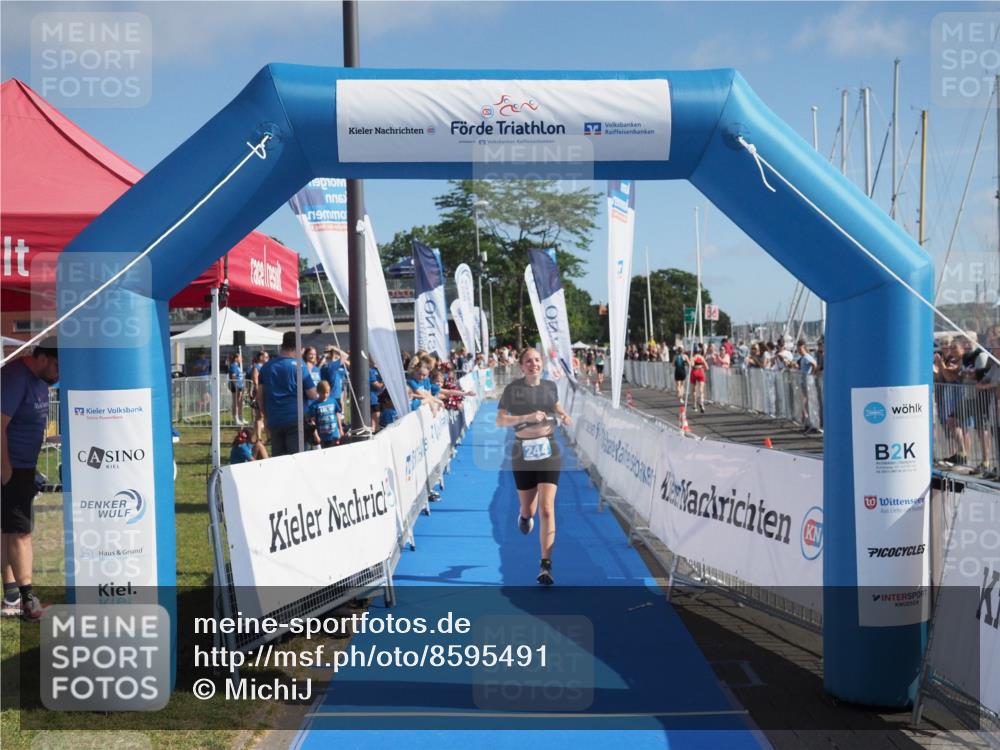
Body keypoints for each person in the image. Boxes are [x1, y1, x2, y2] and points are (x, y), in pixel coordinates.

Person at [495, 348, 572, 586]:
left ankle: (545, 565)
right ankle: (525, 515)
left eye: (537, 360)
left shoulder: (549, 387)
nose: (534, 364)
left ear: (542, 363)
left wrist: (564, 415)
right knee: (529, 509)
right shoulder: (512, 389)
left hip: (548, 450)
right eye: (528, 360)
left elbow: (557, 407)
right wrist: (526, 417)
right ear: (522, 366)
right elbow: (500, 420)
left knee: (547, 509)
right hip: (522, 452)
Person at [1, 338, 59, 621]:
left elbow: (27, 422)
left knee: (8, 531)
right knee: (21, 533)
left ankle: (12, 596)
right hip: (12, 467)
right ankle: (28, 601)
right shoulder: (15, 377)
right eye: (59, 366)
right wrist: (7, 470)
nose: (60, 374)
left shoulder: (39, 381)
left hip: (23, 467)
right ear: (44, 358)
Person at [258, 332, 318, 457]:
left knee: (279, 462)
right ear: (297, 347)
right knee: (298, 460)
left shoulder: (266, 367)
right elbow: (312, 394)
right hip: (296, 421)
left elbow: (260, 397)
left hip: (275, 420)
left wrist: (266, 417)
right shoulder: (299, 366)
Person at [308, 380, 344, 448]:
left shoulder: (333, 401)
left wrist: (340, 429)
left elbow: (337, 415)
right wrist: (316, 436)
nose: (325, 395)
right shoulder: (314, 405)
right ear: (318, 392)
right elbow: (313, 422)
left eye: (327, 393)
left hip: (334, 435)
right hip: (322, 437)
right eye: (323, 393)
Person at [228, 352, 246, 425]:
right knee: (236, 403)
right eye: (240, 357)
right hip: (236, 387)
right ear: (236, 359)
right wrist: (236, 387)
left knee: (240, 402)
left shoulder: (237, 366)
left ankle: (241, 417)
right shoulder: (233, 366)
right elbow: (234, 377)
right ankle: (236, 418)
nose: (241, 359)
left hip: (240, 386)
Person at [690, 345, 708, 412]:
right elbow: (707, 367)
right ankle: (701, 403)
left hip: (694, 372)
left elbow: (691, 365)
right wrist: (702, 368)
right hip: (701, 372)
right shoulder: (702, 357)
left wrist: (692, 363)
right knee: (701, 390)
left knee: (693, 390)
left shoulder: (693, 357)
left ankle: (694, 405)